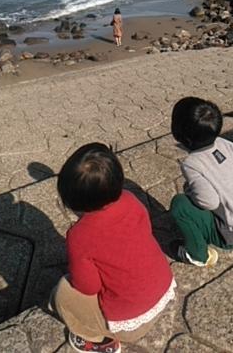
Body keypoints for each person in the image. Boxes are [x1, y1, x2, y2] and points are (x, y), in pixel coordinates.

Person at [52, 143, 176, 353]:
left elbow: (87, 287)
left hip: (130, 324)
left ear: (71, 200)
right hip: (162, 292)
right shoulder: (131, 199)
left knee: (62, 292)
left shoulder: (79, 236)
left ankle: (97, 340)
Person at [170, 97, 233, 267]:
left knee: (180, 205)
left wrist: (190, 192)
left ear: (181, 136)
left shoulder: (192, 163)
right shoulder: (225, 144)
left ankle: (197, 255)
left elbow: (209, 202)